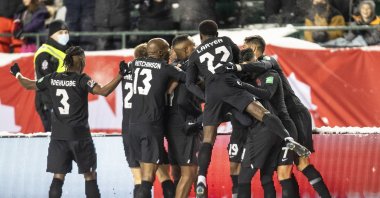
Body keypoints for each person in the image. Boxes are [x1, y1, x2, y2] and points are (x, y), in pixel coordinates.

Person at [185, 20, 310, 198]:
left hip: (212, 92)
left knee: (208, 140)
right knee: (261, 112)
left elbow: (189, 84)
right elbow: (238, 64)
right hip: (231, 85)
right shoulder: (227, 41)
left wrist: (206, 96)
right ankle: (288, 138)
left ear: (200, 36)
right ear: (217, 33)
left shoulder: (194, 55)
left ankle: (201, 178)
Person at [10, 46, 125, 198]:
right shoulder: (82, 80)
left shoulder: (52, 78)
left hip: (58, 137)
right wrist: (121, 75)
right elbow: (104, 91)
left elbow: (28, 84)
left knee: (58, 177)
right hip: (80, 137)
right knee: (89, 176)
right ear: (82, 62)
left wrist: (17, 73)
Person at [228, 35, 331, 198]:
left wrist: (237, 68)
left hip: (295, 115)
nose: (242, 51)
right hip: (278, 122)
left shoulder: (268, 63)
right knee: (281, 170)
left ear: (254, 49)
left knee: (300, 164)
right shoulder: (253, 72)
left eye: (245, 47)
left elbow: (264, 71)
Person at [125, 38, 186, 198]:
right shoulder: (165, 67)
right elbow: (188, 78)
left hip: (133, 126)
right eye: (166, 49)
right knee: (147, 180)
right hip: (151, 127)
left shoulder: (135, 64)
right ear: (160, 52)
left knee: (153, 176)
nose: (168, 52)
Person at [167, 35, 202, 198]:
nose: (196, 48)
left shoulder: (171, 67)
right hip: (186, 122)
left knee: (177, 171)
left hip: (171, 124)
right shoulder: (191, 68)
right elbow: (182, 99)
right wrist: (196, 115)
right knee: (191, 172)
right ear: (187, 49)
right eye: (193, 46)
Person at [33, 19, 70, 132]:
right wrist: (51, 105)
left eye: (66, 32)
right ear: (52, 35)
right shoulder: (46, 53)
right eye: (60, 32)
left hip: (63, 102)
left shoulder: (65, 51)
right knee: (54, 138)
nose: (64, 35)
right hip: (50, 102)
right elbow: (46, 81)